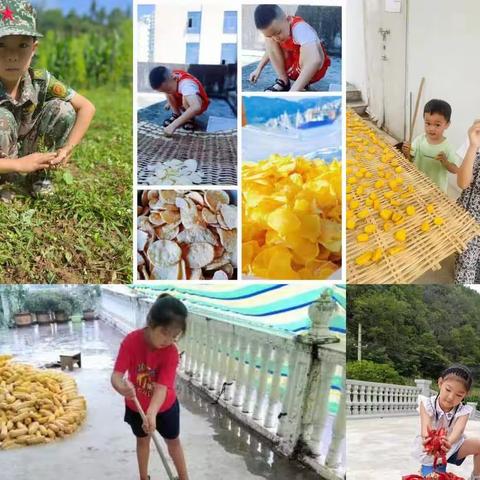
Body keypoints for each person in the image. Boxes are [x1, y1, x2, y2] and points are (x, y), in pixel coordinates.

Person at [0, 0, 95, 197]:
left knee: (63, 109)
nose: (12, 55)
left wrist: (68, 149)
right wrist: (17, 164)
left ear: (33, 49)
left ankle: (40, 176)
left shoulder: (41, 80)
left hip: (32, 153)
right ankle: (7, 183)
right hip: (5, 164)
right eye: (1, 45)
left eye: (22, 45)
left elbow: (86, 107)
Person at [111, 293, 190, 480]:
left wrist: (152, 412)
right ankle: (143, 478)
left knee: (173, 442)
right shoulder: (131, 342)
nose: (168, 340)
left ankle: (184, 478)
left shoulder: (171, 353)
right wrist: (121, 388)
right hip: (136, 407)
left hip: (164, 407)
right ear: (151, 322)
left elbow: (162, 388)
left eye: (175, 336)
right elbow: (116, 376)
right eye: (164, 332)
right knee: (142, 441)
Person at [413, 365, 480, 479]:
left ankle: (476, 476)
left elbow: (458, 431)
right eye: (448, 390)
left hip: (452, 445)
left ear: (466, 394)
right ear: (440, 383)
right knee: (435, 476)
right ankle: (427, 469)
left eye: (459, 395)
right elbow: (426, 429)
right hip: (432, 449)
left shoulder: (463, 410)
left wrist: (447, 442)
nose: (450, 397)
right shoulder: (427, 404)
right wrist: (430, 442)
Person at [250, 4, 331, 92]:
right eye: (273, 35)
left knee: (313, 50)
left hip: (313, 71)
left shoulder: (300, 28)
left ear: (288, 19)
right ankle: (283, 81)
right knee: (269, 38)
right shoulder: (277, 33)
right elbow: (271, 51)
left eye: (279, 32)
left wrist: (293, 92)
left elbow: (315, 61)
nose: (276, 38)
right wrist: (258, 68)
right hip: (294, 68)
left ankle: (301, 84)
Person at [402, 99, 459, 194]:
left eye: (437, 125)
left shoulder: (448, 147)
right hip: (417, 183)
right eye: (427, 123)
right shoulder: (419, 140)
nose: (431, 128)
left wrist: (446, 163)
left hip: (436, 190)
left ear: (447, 125)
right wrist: (407, 153)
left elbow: (455, 170)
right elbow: (410, 160)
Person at [454, 119, 480, 283]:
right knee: (465, 264)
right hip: (469, 219)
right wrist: (473, 146)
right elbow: (463, 183)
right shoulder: (476, 137)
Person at [149, 66, 209, 136]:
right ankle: (176, 114)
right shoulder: (171, 78)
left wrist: (173, 126)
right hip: (184, 96)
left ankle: (190, 118)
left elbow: (196, 107)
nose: (168, 92)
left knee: (185, 97)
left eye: (168, 89)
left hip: (199, 103)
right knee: (170, 93)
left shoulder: (187, 85)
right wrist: (169, 101)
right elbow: (170, 88)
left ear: (174, 77)